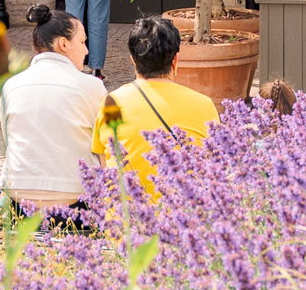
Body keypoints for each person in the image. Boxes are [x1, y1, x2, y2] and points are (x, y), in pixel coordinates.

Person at [92, 17, 220, 195]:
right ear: (176, 60)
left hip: (124, 217)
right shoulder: (204, 104)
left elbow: (105, 161)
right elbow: (215, 166)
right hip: (185, 216)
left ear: (133, 60)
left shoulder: (110, 103)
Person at [0, 5, 107, 205]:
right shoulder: (92, 86)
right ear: (63, 44)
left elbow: (9, 141)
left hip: (17, 198)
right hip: (75, 197)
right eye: (82, 41)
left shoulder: (10, 86)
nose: (86, 50)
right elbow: (106, 149)